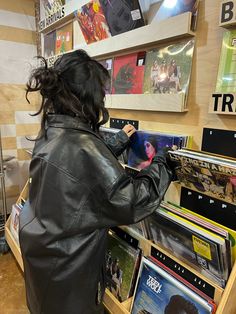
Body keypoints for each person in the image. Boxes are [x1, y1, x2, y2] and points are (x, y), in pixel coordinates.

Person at [19, 49, 174, 314]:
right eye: (101, 91)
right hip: (70, 273)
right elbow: (131, 201)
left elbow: (79, 172)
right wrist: (163, 164)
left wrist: (115, 143)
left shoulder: (52, 130)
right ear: (89, 94)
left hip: (45, 259)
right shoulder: (82, 145)